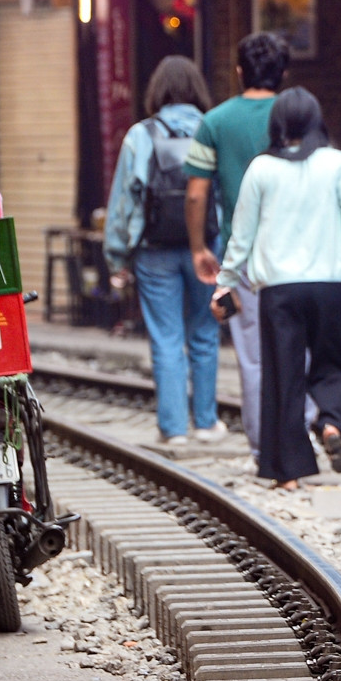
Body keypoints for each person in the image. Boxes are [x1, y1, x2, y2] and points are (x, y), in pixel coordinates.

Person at [213, 88, 341, 489]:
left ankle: (289, 473)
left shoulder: (261, 169)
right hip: (332, 283)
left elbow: (241, 235)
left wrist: (225, 282)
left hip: (280, 288)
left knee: (283, 374)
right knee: (331, 361)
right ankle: (332, 423)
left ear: (277, 124)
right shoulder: (339, 163)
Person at [106, 56, 226, 447]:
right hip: (206, 248)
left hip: (154, 250)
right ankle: (206, 423)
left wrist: (117, 256)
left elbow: (124, 201)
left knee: (166, 338)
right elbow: (222, 196)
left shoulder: (140, 135)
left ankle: (174, 429)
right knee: (205, 333)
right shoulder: (213, 129)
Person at [186, 32, 294, 455]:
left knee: (252, 355)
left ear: (237, 72)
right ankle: (297, 436)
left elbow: (196, 193)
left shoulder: (214, 121)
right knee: (293, 348)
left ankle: (262, 446)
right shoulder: (294, 115)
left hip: (242, 255)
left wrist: (199, 247)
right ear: (283, 73)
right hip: (294, 254)